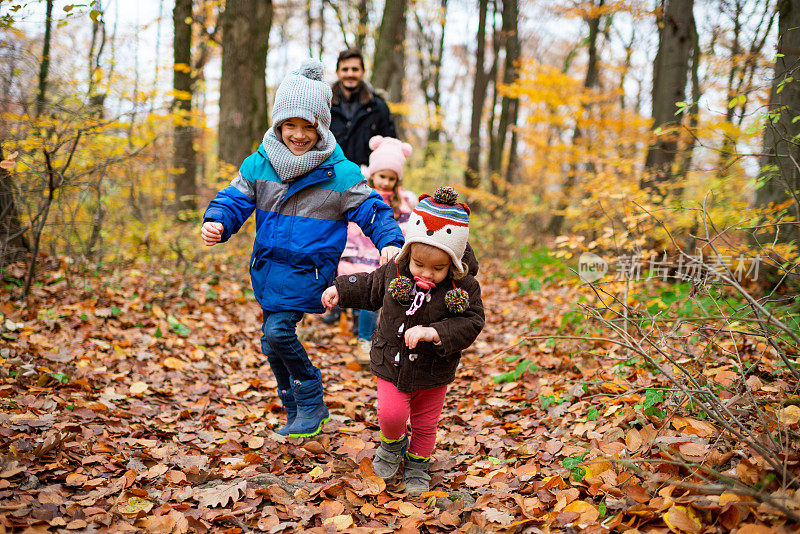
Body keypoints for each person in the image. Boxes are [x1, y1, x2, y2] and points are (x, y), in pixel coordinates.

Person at [200, 59, 404, 439]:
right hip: (267, 267)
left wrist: (390, 241)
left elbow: (372, 208)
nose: (297, 134)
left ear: (321, 126)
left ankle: (311, 399)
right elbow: (235, 198)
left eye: (307, 126)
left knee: (278, 332)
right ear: (277, 124)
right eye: (289, 125)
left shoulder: (340, 172)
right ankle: (295, 408)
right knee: (270, 341)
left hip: (309, 270)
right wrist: (218, 220)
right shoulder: (259, 162)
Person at [321, 187, 485, 496]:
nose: (427, 273)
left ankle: (417, 462)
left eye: (439, 268)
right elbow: (369, 286)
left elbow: (472, 322)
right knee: (391, 414)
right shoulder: (394, 272)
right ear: (408, 252)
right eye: (419, 264)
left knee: (425, 424)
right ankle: (392, 445)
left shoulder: (464, 288)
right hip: (391, 362)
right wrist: (340, 290)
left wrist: (435, 332)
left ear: (454, 262)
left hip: (434, 370)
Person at [338, 136, 417, 367]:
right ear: (372, 174)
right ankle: (360, 330)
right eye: (382, 176)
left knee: (376, 299)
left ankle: (366, 341)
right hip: (359, 252)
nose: (386, 182)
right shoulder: (360, 194)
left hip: (383, 258)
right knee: (359, 294)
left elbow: (404, 227)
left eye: (392, 178)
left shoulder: (401, 202)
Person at [330, 48, 397, 168]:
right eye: (345, 69)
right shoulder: (325, 106)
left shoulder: (378, 107)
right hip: (331, 179)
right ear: (337, 72)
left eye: (355, 69)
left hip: (366, 180)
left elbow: (390, 148)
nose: (350, 74)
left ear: (363, 72)